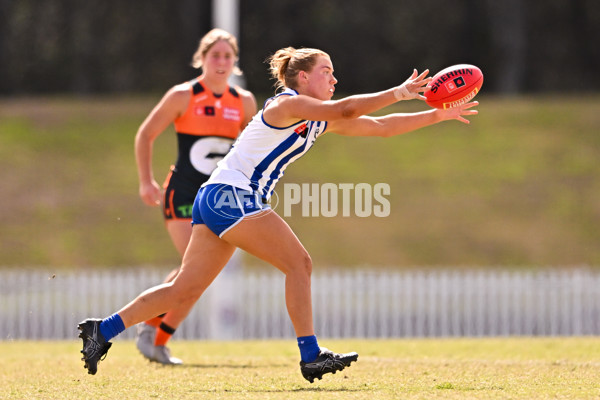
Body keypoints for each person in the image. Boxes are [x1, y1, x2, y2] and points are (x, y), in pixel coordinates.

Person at [78, 46, 478, 381]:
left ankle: (102, 329)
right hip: (231, 195)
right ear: (302, 78)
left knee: (184, 290)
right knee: (299, 264)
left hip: (217, 196)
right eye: (327, 72)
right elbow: (345, 111)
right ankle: (310, 355)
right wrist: (402, 91)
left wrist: (436, 115)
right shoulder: (287, 105)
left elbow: (379, 127)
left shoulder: (316, 120)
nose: (333, 80)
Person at [133, 28, 256, 365]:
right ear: (202, 59)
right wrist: (146, 181)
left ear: (235, 62)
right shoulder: (183, 95)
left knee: (197, 273)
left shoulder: (244, 102)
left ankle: (156, 337)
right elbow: (145, 134)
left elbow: (250, 150)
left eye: (227, 56)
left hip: (218, 198)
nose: (221, 61)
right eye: (214, 55)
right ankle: (151, 335)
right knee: (195, 269)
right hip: (183, 193)